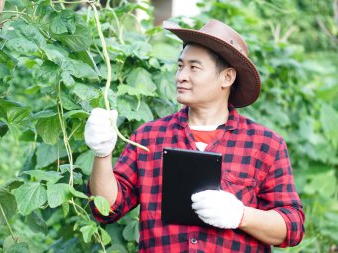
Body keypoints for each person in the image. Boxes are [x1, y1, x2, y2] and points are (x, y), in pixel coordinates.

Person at [84, 19, 305, 252]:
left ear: (227, 77)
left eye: (194, 68)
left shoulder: (265, 145)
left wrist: (241, 215)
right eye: (180, 66)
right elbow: (107, 208)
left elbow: (292, 227)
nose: (181, 76)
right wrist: (102, 154)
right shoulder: (149, 137)